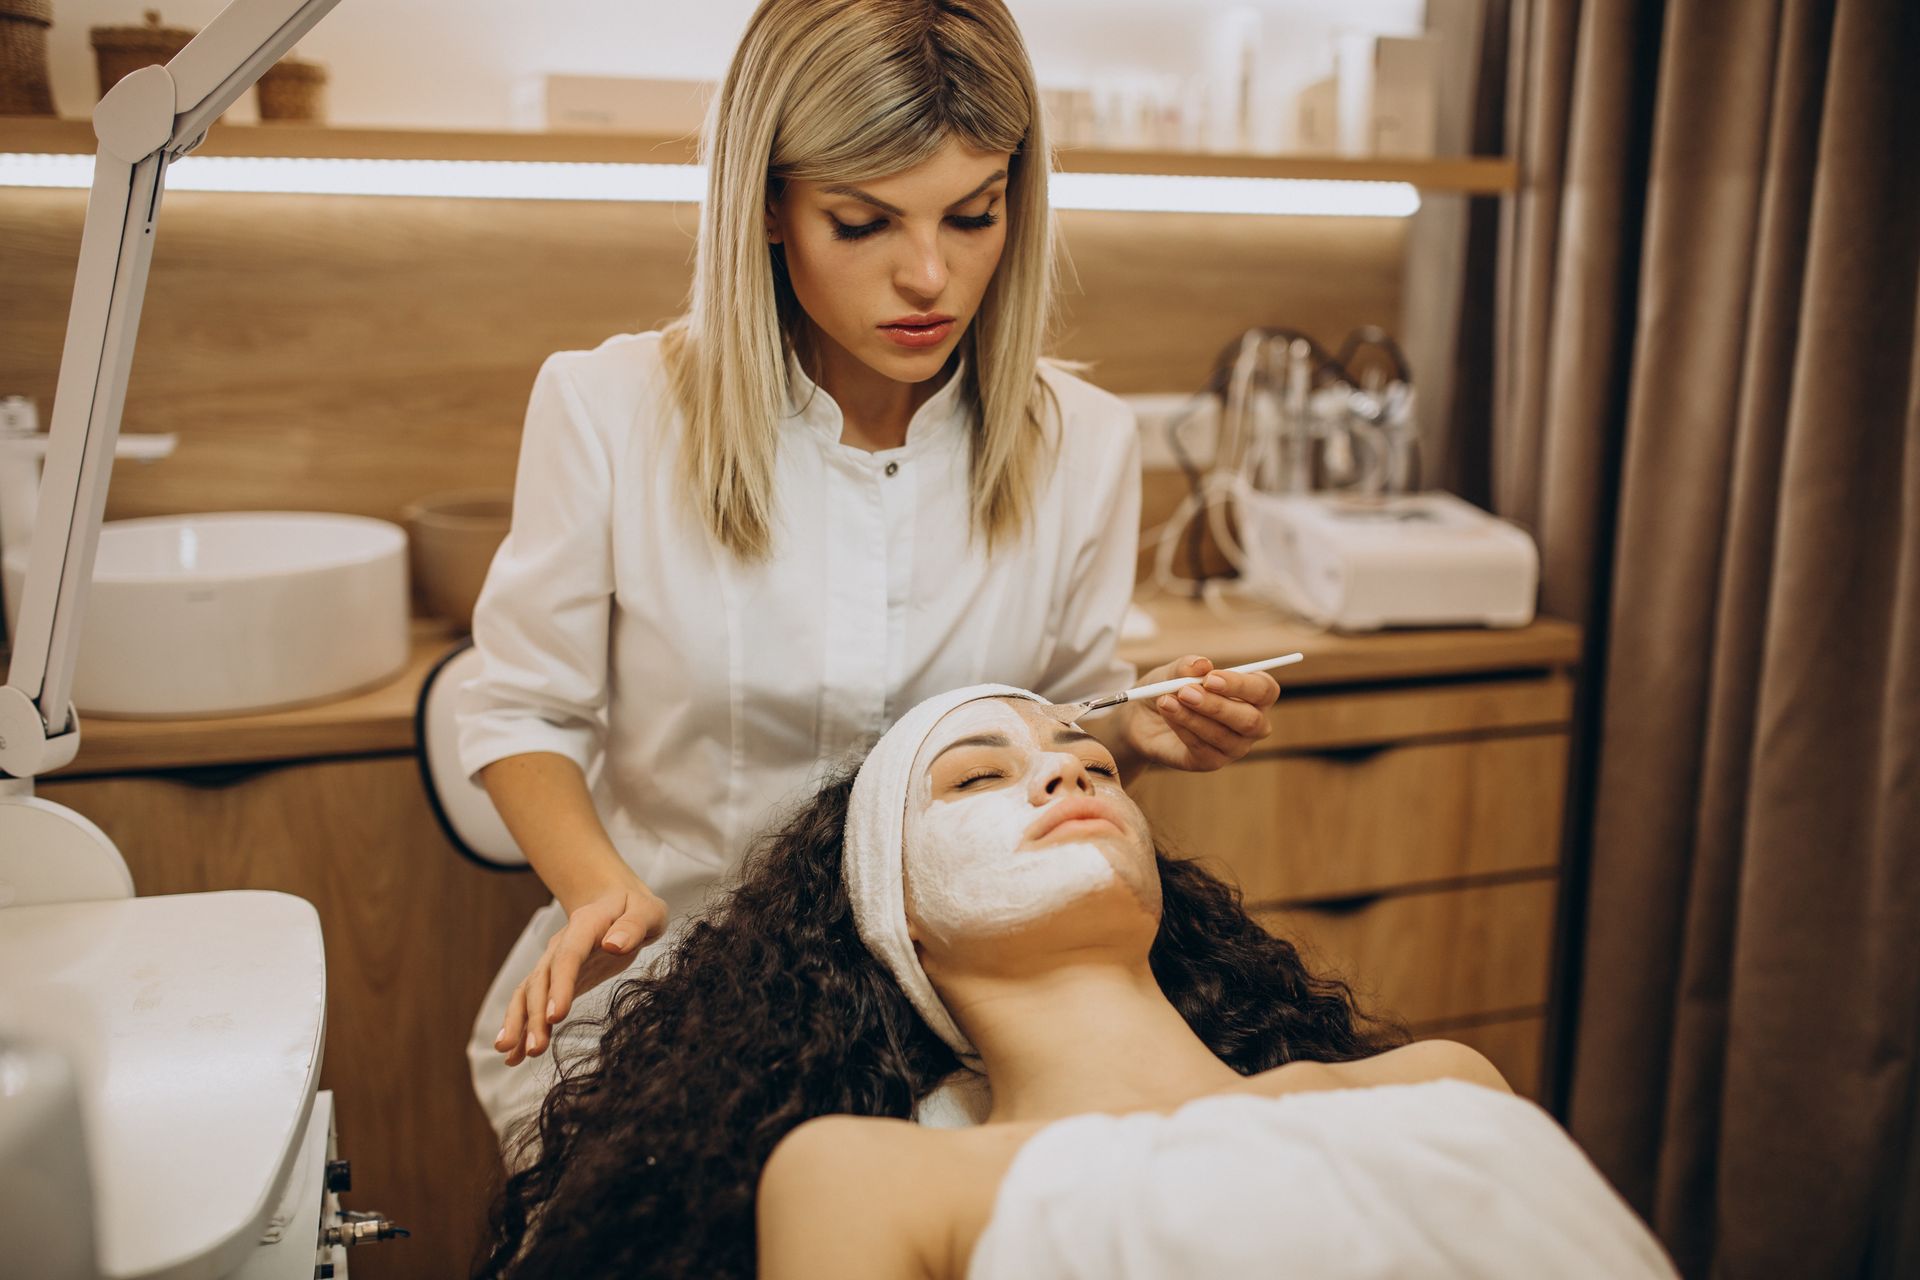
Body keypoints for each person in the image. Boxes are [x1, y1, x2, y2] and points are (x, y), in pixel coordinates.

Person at [457, 0, 1284, 1143]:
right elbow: (521, 710)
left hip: (960, 1009)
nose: (930, 275)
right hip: (674, 992)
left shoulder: (1081, 442)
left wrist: (1136, 734)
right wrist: (594, 882)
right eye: (863, 222)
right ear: (768, 205)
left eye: (974, 214)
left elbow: (1057, 720)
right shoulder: (609, 412)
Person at [473, 689, 1677, 1279]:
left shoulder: (1439, 1081)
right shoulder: (871, 1178)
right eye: (976, 778)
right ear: (895, 918)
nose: (1068, 776)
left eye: (1089, 759)